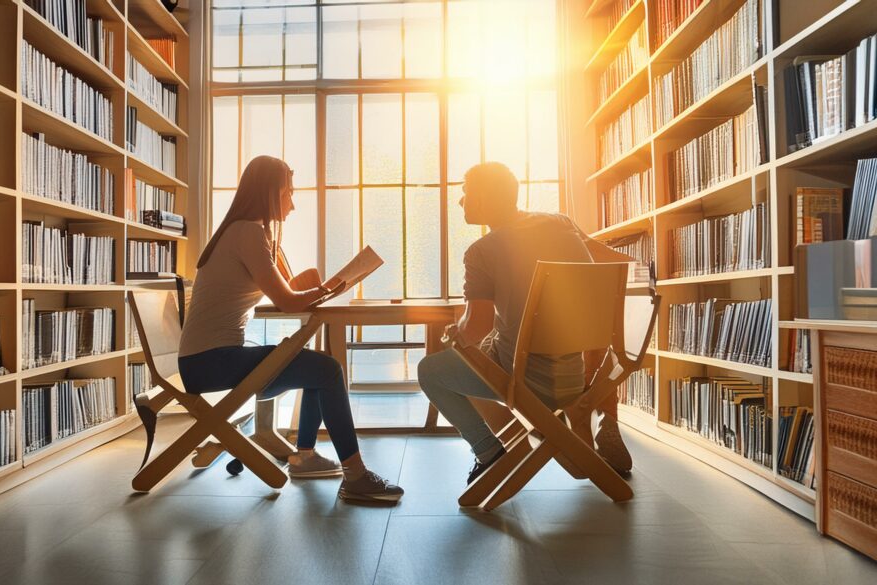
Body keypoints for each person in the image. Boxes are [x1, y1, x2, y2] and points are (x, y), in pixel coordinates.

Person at [177, 155, 402, 504]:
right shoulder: (248, 232)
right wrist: (332, 287)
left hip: (206, 358)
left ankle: (306, 456)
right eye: (288, 194)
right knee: (327, 370)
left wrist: (319, 287)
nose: (293, 204)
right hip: (210, 362)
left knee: (318, 366)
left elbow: (285, 294)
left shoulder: (247, 231)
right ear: (269, 193)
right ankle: (354, 475)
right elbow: (288, 301)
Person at [417, 162, 634, 484]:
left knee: (434, 369)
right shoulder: (562, 223)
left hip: (529, 379)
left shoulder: (480, 252)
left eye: (466, 193)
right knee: (484, 348)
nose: (461, 201)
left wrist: (456, 332)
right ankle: (595, 414)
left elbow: (475, 327)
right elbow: (616, 264)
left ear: (487, 198)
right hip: (575, 372)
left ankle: (488, 452)